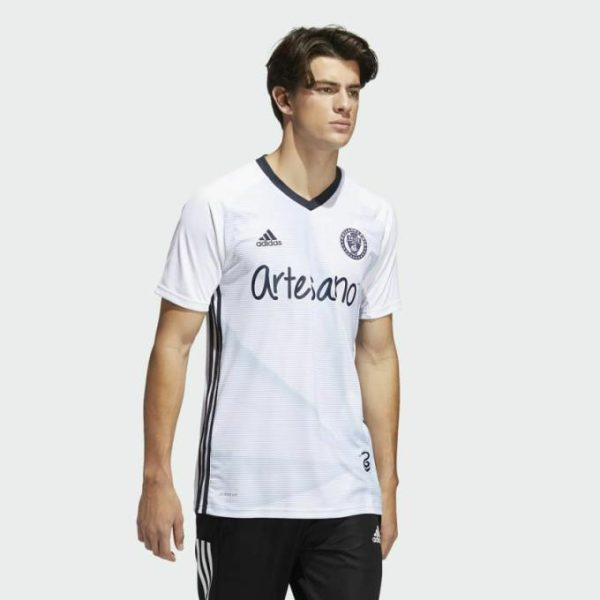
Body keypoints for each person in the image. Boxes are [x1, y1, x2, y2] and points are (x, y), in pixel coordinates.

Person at [137, 24, 403, 600]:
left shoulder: (373, 217)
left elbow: (377, 354)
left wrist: (387, 485)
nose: (344, 105)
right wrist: (157, 476)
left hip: (345, 499)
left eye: (353, 92)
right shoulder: (220, 206)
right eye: (326, 89)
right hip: (243, 496)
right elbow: (173, 345)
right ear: (284, 98)